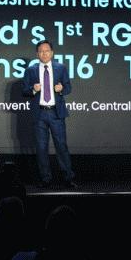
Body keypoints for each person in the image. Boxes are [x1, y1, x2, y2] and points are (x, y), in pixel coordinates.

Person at [22, 40, 76, 189]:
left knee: (61, 146)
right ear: (37, 54)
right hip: (39, 113)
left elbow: (68, 87)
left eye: (46, 51)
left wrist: (61, 89)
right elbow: (24, 91)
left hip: (55, 113)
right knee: (41, 148)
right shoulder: (31, 70)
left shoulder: (61, 68)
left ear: (52, 53)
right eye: (41, 51)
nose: (44, 53)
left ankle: (68, 178)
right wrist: (33, 89)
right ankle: (45, 178)